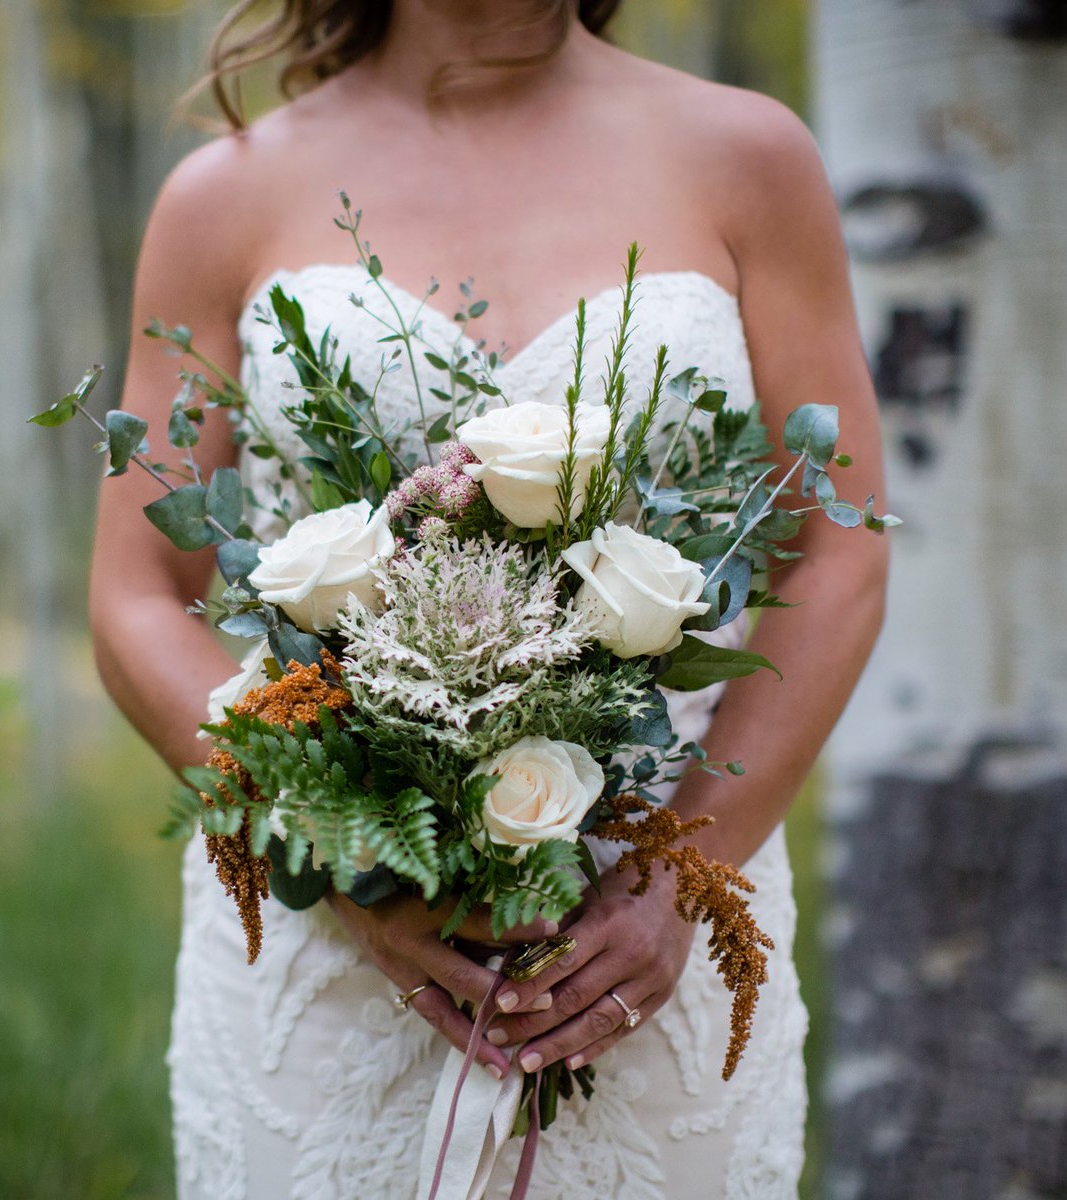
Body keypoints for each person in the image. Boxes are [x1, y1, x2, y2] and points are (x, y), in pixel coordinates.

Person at [89, 2, 889, 1196]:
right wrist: (341, 850)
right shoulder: (226, 196)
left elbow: (840, 553)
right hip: (335, 966)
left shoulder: (745, 158)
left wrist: (682, 883)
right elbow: (137, 594)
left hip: (648, 941)